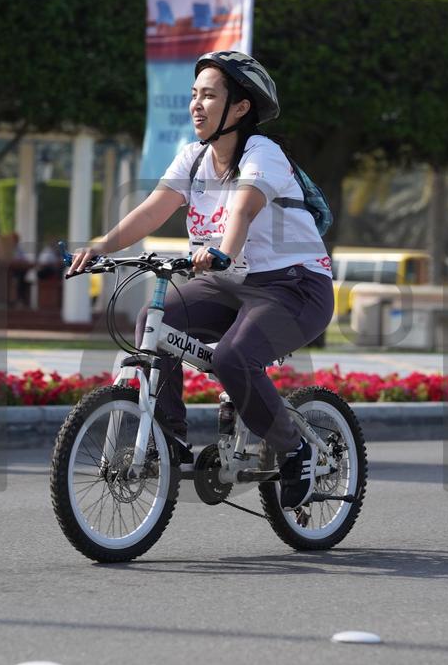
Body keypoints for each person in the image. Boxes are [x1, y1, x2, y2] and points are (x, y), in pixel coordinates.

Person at [69, 51, 334, 510]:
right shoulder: (193, 159)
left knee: (233, 358)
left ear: (240, 107)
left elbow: (243, 208)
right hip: (227, 283)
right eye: (194, 94)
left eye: (209, 95)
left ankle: (295, 449)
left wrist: (222, 251)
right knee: (155, 323)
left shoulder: (263, 153)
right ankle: (170, 439)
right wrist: (101, 246)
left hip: (294, 285)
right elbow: (152, 209)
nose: (196, 104)